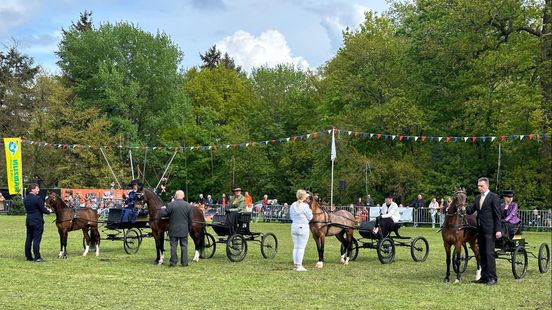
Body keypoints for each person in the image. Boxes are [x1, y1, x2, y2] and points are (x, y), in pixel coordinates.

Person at [466, 177, 502, 285]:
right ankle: (484, 277)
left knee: (489, 253)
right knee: (482, 253)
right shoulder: (477, 198)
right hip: (480, 230)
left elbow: (497, 214)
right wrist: (461, 204)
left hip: (490, 230)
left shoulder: (493, 197)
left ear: (487, 185)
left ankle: (492, 278)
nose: (479, 188)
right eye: (478, 186)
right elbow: (470, 210)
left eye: (481, 186)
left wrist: (498, 230)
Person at [159, 190, 192, 267]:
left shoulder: (170, 205)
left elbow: (164, 214)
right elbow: (190, 219)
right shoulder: (188, 205)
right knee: (184, 245)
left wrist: (162, 209)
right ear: (183, 196)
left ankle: (173, 262)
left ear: (175, 196)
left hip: (173, 229)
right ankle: (184, 262)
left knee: (173, 246)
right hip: (184, 229)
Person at [24, 183, 52, 262]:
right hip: (37, 221)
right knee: (36, 239)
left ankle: (28, 256)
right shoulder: (38, 198)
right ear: (33, 189)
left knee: (29, 238)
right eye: (37, 188)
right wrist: (49, 211)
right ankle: (37, 257)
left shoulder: (25, 199)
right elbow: (43, 209)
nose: (38, 190)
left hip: (29, 220)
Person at [290, 189, 313, 271]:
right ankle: (299, 265)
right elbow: (310, 217)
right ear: (303, 197)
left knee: (296, 247)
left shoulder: (293, 205)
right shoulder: (305, 206)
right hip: (303, 227)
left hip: (294, 226)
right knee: (301, 247)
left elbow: (291, 216)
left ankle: (296, 265)